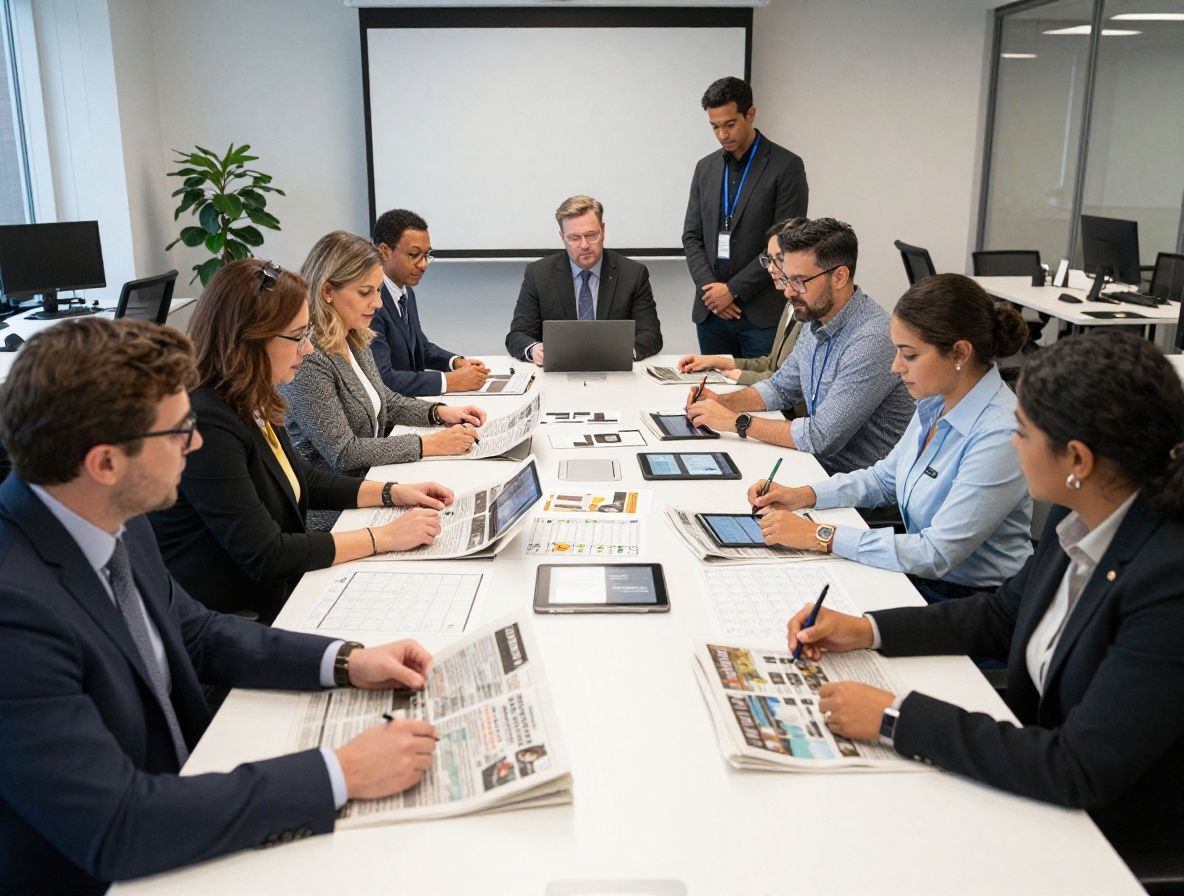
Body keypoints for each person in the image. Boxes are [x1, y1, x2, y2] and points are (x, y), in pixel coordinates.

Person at [0, 317, 440, 894]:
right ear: (104, 463)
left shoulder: (106, 515)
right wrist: (340, 772)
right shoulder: (16, 611)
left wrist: (346, 661)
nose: (197, 441)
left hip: (189, 794)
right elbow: (120, 826)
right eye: (179, 432)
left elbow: (201, 634)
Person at [787, 330, 1184, 865]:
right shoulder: (1081, 515)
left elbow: (1079, 768)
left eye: (1022, 433)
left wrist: (895, 718)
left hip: (1106, 841)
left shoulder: (1168, 581)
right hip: (1031, 788)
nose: (1012, 443)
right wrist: (867, 629)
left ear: (1078, 460)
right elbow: (1001, 615)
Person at [151, 258, 451, 623]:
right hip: (239, 619)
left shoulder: (251, 396)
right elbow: (268, 554)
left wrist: (394, 492)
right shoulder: (207, 424)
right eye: (297, 337)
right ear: (249, 338)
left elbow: (302, 478)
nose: (308, 349)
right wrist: (384, 537)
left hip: (280, 593)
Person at [748, 274, 1033, 600]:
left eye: (909, 355)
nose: (896, 367)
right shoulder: (937, 398)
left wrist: (820, 535)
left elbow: (936, 553)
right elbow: (886, 478)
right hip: (920, 578)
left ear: (959, 353)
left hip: (973, 600)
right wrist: (805, 494)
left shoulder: (999, 434)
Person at [687, 217, 913, 474]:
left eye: (800, 281)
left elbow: (821, 437)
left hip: (855, 494)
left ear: (839, 277)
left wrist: (736, 421)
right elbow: (780, 388)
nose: (788, 292)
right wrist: (722, 402)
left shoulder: (871, 339)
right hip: (814, 469)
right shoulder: (814, 317)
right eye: (788, 278)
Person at [282, 230, 487, 475]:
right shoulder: (308, 358)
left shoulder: (354, 335)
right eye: (365, 292)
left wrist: (438, 412)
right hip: (339, 507)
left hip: (373, 479)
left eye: (378, 290)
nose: (378, 303)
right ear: (327, 292)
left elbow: (384, 399)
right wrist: (429, 444)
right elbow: (344, 453)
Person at [683, 76, 808, 357]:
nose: (722, 135)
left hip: (759, 314)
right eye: (715, 127)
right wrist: (712, 293)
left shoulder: (786, 166)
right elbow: (691, 237)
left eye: (730, 124)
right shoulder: (705, 168)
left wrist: (733, 290)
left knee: (761, 397)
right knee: (712, 394)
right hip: (711, 312)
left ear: (750, 114)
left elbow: (786, 244)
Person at [505, 194, 663, 365]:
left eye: (591, 235)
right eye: (574, 238)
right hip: (558, 372)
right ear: (562, 237)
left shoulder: (633, 274)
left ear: (603, 230)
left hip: (615, 370)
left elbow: (651, 335)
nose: (585, 245)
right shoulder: (539, 274)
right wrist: (534, 349)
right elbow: (518, 335)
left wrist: (621, 354)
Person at [370, 208, 490, 396]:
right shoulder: (371, 303)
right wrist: (449, 382)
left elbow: (420, 347)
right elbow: (383, 379)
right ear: (385, 251)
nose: (423, 264)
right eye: (413, 254)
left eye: (426, 254)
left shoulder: (405, 292)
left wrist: (456, 362)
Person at [678, 219, 804, 390]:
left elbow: (790, 383)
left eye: (779, 259)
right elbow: (770, 364)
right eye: (769, 260)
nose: (770, 269)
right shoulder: (790, 305)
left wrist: (740, 376)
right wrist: (716, 361)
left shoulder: (809, 312)